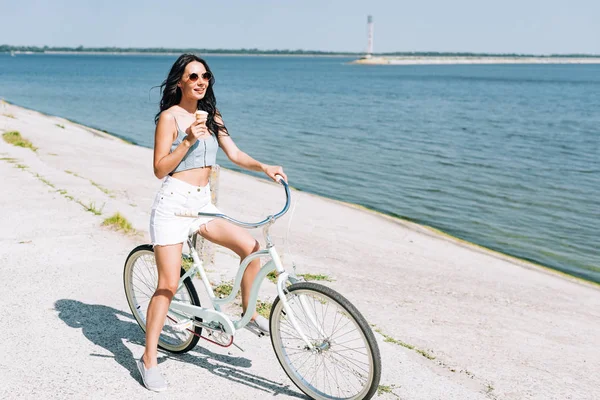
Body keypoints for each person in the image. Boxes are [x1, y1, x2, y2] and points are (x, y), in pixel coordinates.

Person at [137, 53, 287, 392]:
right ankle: (148, 360)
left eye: (204, 75)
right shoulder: (169, 118)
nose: (201, 81)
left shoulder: (213, 115)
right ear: (180, 82)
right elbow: (160, 168)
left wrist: (264, 167)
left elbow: (234, 154)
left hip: (202, 203)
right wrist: (188, 138)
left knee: (253, 248)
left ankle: (247, 315)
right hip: (173, 205)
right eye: (193, 76)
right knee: (168, 284)